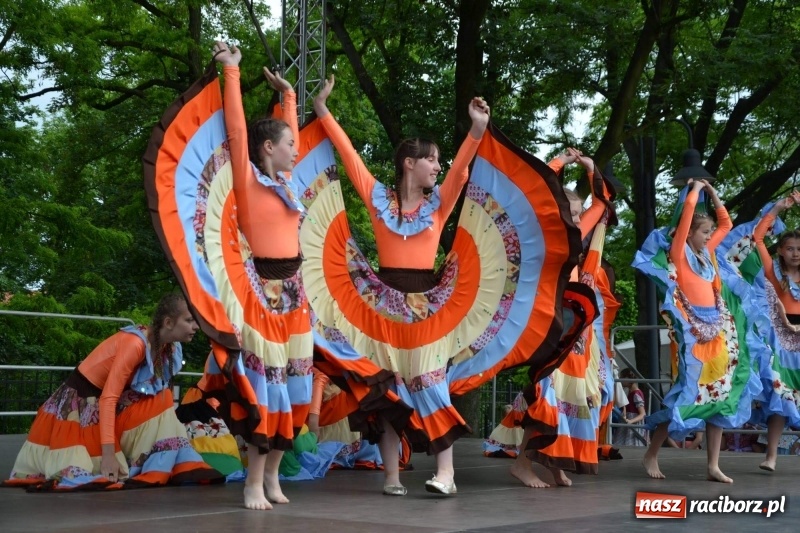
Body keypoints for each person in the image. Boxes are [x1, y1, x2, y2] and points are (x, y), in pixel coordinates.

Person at [310, 74, 490, 496]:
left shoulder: (440, 204)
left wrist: (477, 129)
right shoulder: (377, 199)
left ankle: (446, 474)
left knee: (430, 381)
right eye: (431, 159)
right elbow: (349, 155)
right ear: (410, 162)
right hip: (382, 304)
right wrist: (321, 110)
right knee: (387, 388)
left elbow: (463, 167)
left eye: (439, 161)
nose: (438, 166)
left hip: (428, 304)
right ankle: (391, 475)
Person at [198, 41, 312, 510]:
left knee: (297, 387)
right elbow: (240, 129)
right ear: (269, 149)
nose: (295, 150)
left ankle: (272, 479)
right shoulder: (248, 179)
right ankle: (253, 481)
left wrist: (289, 98)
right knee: (265, 389)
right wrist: (231, 71)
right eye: (288, 145)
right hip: (260, 292)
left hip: (295, 292)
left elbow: (291, 135)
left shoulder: (287, 182)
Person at [3, 294, 223, 490]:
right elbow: (108, 398)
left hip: (107, 405)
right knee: (90, 470)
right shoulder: (135, 345)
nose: (196, 326)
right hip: (80, 405)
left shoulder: (168, 348)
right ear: (168, 322)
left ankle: (172, 461)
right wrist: (108, 455)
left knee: (162, 397)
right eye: (189, 320)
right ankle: (136, 459)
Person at [632, 178, 761, 483]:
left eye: (707, 233)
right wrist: (694, 190)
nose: (708, 237)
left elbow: (726, 224)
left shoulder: (708, 255)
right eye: (703, 233)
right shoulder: (680, 253)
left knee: (720, 395)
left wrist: (713, 193)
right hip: (692, 330)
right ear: (688, 233)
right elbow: (688, 211)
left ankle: (713, 465)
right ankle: (652, 451)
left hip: (717, 331)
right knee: (687, 394)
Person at [511, 149, 612, 488]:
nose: (580, 216)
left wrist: (590, 167)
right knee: (547, 394)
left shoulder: (576, 231)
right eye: (574, 210)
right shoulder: (543, 228)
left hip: (572, 317)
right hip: (547, 316)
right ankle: (523, 464)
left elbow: (603, 202)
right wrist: (559, 162)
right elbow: (536, 188)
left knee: (569, 393)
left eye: (580, 213)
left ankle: (554, 464)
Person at [750, 190, 800, 471]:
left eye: (799, 249)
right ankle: (771, 456)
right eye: (790, 248)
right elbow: (757, 237)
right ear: (780, 250)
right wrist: (778, 207)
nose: (795, 253)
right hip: (781, 341)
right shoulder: (773, 272)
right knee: (781, 399)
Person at [613, 368, 648, 446]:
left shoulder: (636, 394)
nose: (621, 381)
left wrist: (631, 421)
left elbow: (642, 414)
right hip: (629, 420)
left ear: (628, 379)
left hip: (633, 423)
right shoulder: (630, 392)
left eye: (622, 378)